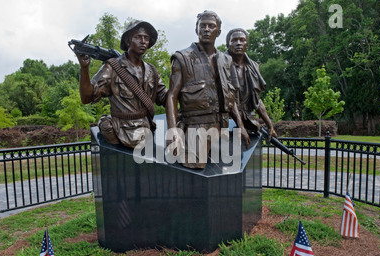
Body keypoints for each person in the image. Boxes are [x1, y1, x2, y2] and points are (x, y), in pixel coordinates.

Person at [165, 10, 250, 169]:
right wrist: (172, 130)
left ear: (218, 31)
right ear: (196, 29)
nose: (206, 29)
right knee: (195, 168)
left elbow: (230, 98)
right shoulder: (182, 58)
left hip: (222, 127)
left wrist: (241, 125)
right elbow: (171, 96)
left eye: (211, 26)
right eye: (202, 25)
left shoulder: (226, 60)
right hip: (196, 127)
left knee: (219, 174)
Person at [77, 20, 167, 149]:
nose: (143, 41)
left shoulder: (151, 70)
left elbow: (164, 96)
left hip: (147, 129)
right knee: (105, 124)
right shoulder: (112, 68)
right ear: (128, 41)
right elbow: (86, 98)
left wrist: (183, 88)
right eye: (138, 37)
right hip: (123, 131)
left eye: (146, 38)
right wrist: (84, 68)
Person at [225, 28, 277, 140]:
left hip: (248, 120)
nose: (238, 43)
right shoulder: (220, 65)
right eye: (234, 40)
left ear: (246, 44)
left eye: (242, 40)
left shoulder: (253, 67)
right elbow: (229, 98)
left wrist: (269, 125)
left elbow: (256, 100)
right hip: (226, 121)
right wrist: (240, 126)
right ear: (228, 44)